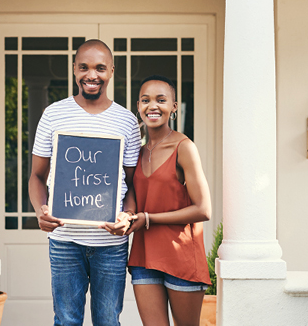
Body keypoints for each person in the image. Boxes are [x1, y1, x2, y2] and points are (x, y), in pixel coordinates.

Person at [28, 39, 141, 326]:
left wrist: (126, 217)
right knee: (66, 321)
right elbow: (37, 177)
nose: (92, 75)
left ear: (111, 71)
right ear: (74, 69)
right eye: (84, 67)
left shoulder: (126, 121)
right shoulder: (53, 114)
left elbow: (133, 184)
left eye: (100, 68)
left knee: (107, 321)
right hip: (65, 241)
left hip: (111, 243)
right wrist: (40, 209)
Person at [124, 75, 212, 326]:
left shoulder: (184, 147)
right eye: (145, 100)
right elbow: (131, 192)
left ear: (174, 106)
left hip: (181, 256)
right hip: (144, 257)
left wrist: (149, 219)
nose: (153, 106)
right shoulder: (138, 152)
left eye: (161, 100)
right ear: (138, 106)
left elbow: (203, 209)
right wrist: (127, 216)